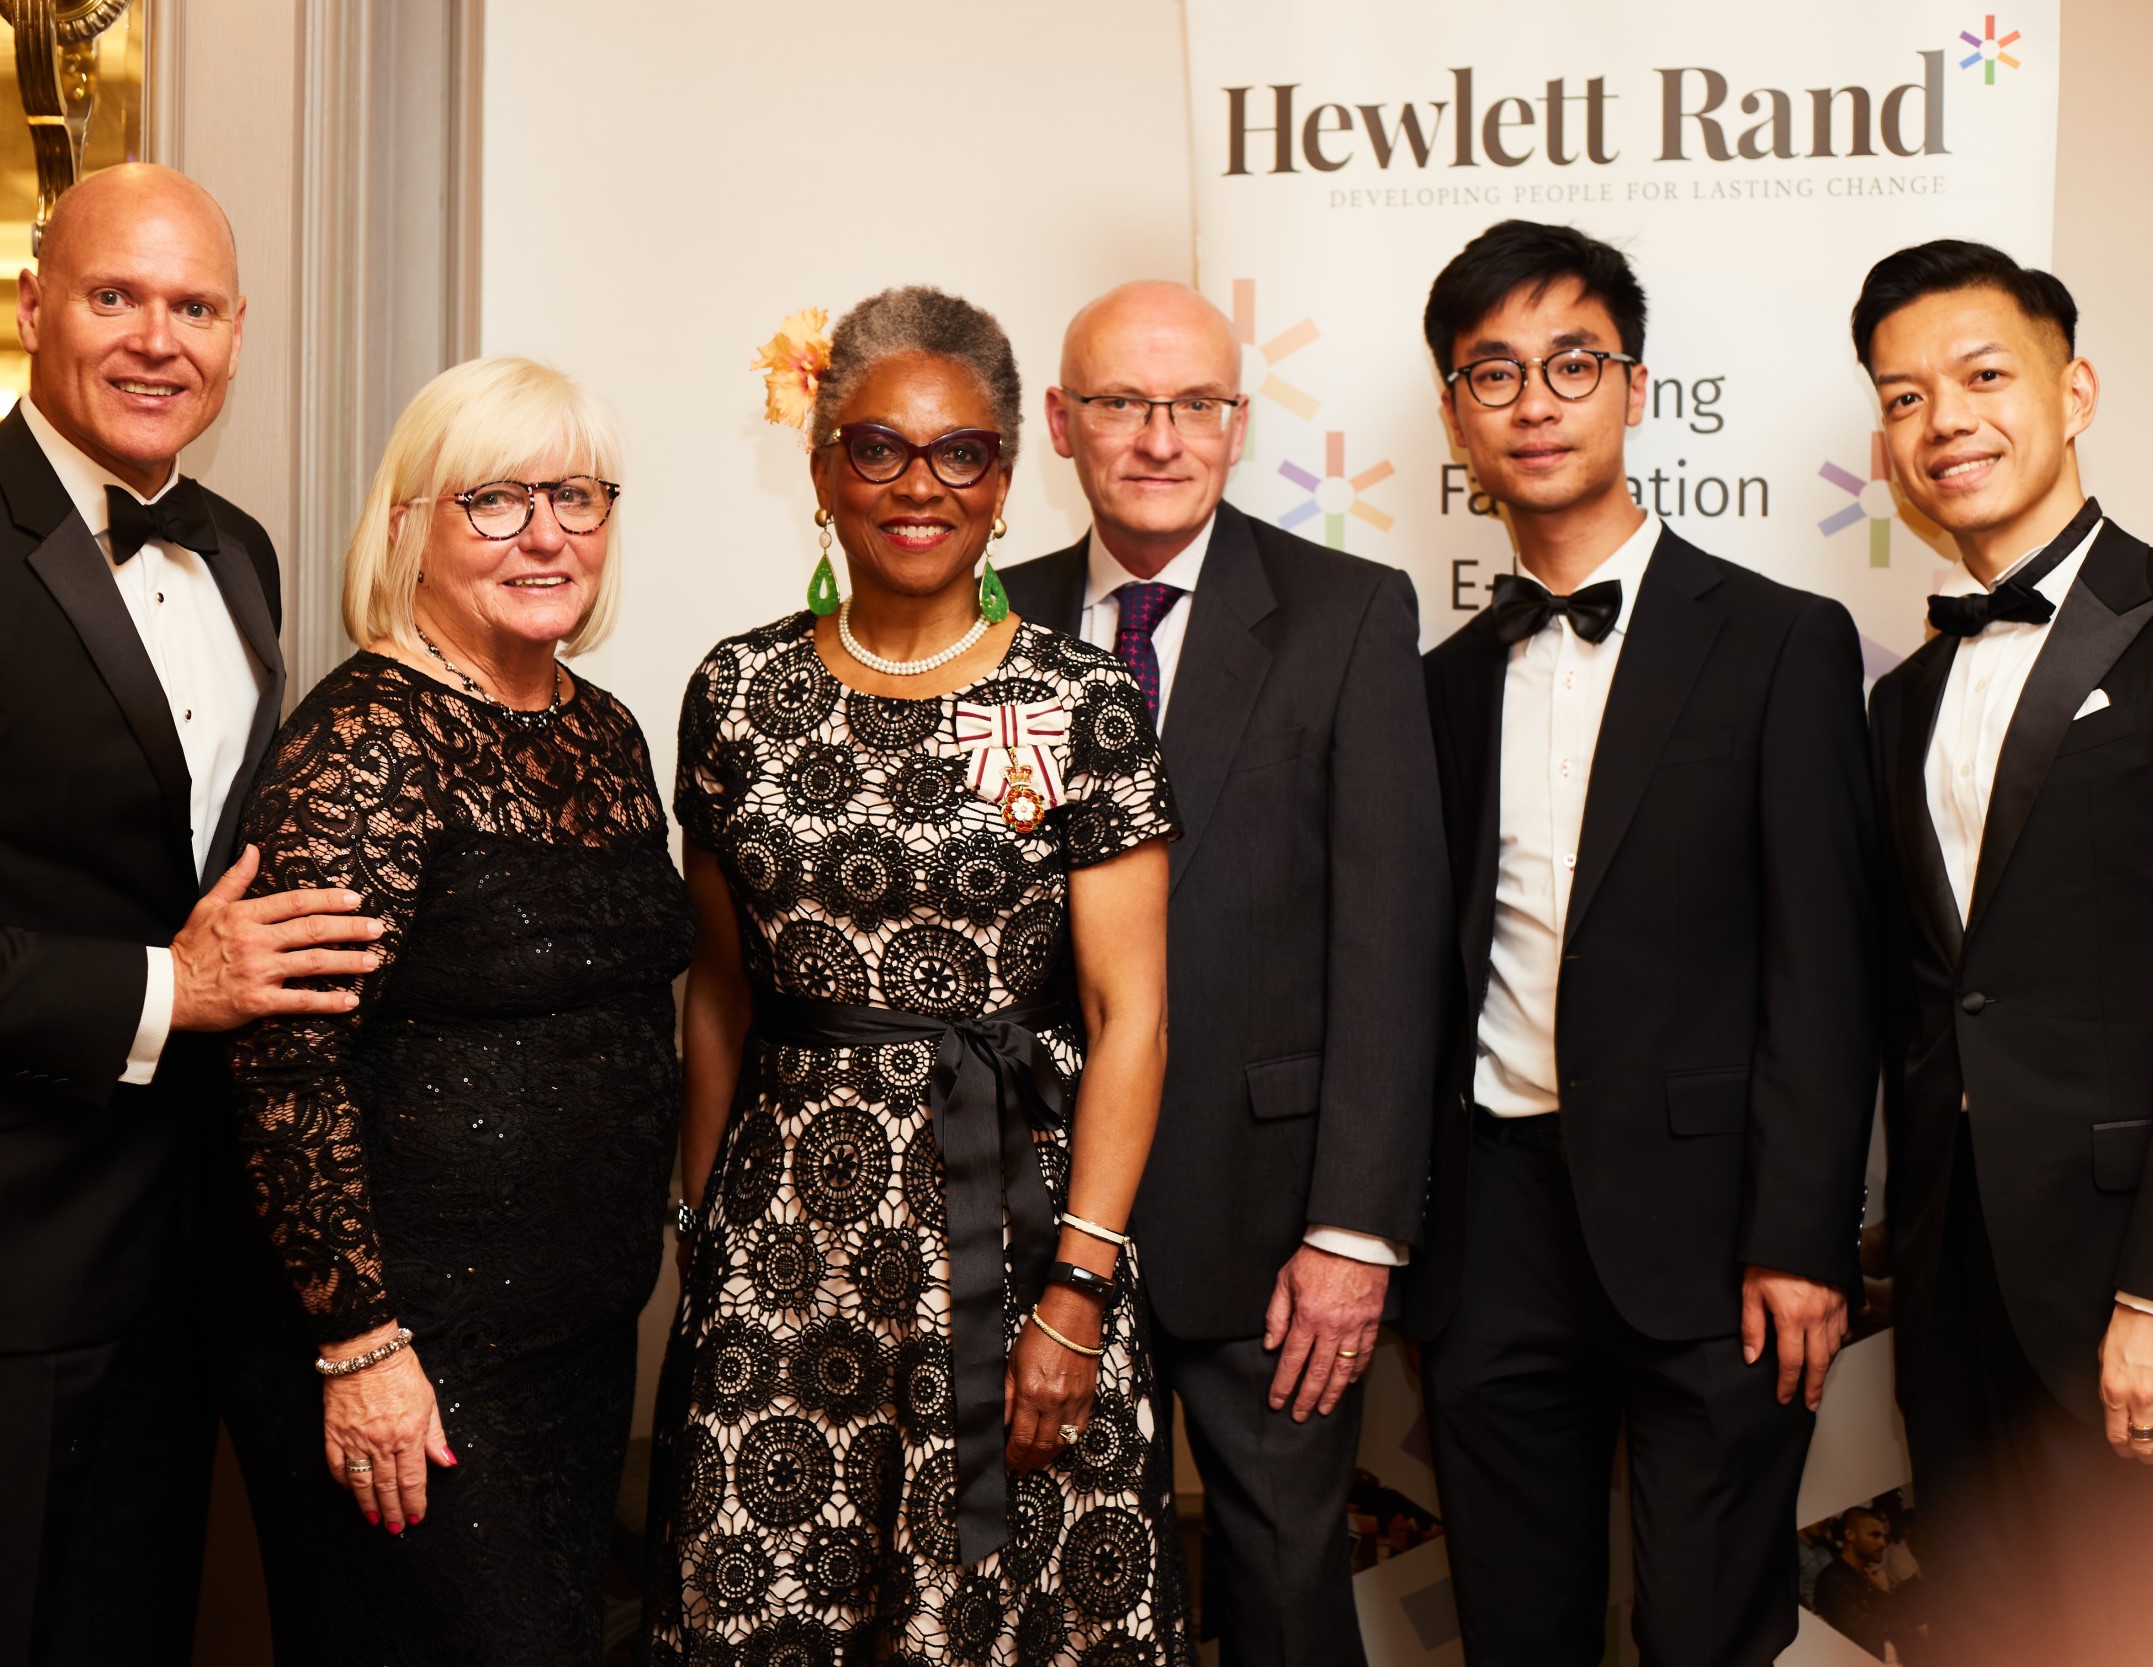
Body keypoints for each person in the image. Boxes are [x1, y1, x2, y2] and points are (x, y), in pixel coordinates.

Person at [0, 164, 377, 1663]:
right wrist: (167, 989)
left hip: (182, 1257)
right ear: (34, 304)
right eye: (117, 296)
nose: (156, 338)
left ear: (238, 334)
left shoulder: (239, 549)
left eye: (193, 306)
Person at [648, 285, 1193, 1664]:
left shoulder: (1082, 703)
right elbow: (718, 981)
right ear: (824, 465)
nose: (918, 484)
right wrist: (699, 1220)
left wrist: (1078, 1286)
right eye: (878, 446)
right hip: (782, 1263)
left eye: (962, 453)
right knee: (765, 1604)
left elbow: (1133, 1017)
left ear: (1005, 481)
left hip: (1013, 1253)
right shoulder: (737, 692)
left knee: (1001, 1615)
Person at [1400, 219, 1882, 1667]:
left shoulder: (1785, 641)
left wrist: (1801, 1237)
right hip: (1492, 1230)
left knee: (1706, 1630)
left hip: (1719, 1235)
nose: (1535, 400)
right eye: (1494, 372)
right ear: (1454, 413)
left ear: (1636, 386)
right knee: (1515, 1629)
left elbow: (1827, 965)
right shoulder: (1433, 683)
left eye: (1571, 363)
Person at [216, 355, 691, 1664]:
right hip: (408, 1344)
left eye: (578, 496)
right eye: (494, 499)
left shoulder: (605, 730)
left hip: (582, 1333)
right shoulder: (366, 740)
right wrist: (361, 1342)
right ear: (409, 524)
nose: (547, 534)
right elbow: (286, 1064)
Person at [1856, 239, 2153, 1667]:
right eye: (1905, 396)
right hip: (1957, 1280)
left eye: (1984, 376)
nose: (1947, 421)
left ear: (2075, 388)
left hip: (2141, 1285)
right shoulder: (1905, 697)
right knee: (1974, 1636)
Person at [1005, 280, 1446, 1664]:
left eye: (1193, 403)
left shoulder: (1348, 613)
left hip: (1271, 1235)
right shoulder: (986, 621)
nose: (1159, 436)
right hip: (1030, 1222)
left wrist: (1354, 1232)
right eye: (1124, 404)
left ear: (1237, 423)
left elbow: (1392, 945)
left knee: (1283, 1586)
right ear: (1063, 425)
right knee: (1052, 1597)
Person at [1811, 1508, 1909, 1661]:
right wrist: (1882, 1593)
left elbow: (1902, 1626)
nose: (1883, 1543)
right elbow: (1864, 1638)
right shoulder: (1831, 1581)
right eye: (1874, 1535)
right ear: (1850, 1534)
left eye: (1884, 1536)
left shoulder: (1871, 1575)